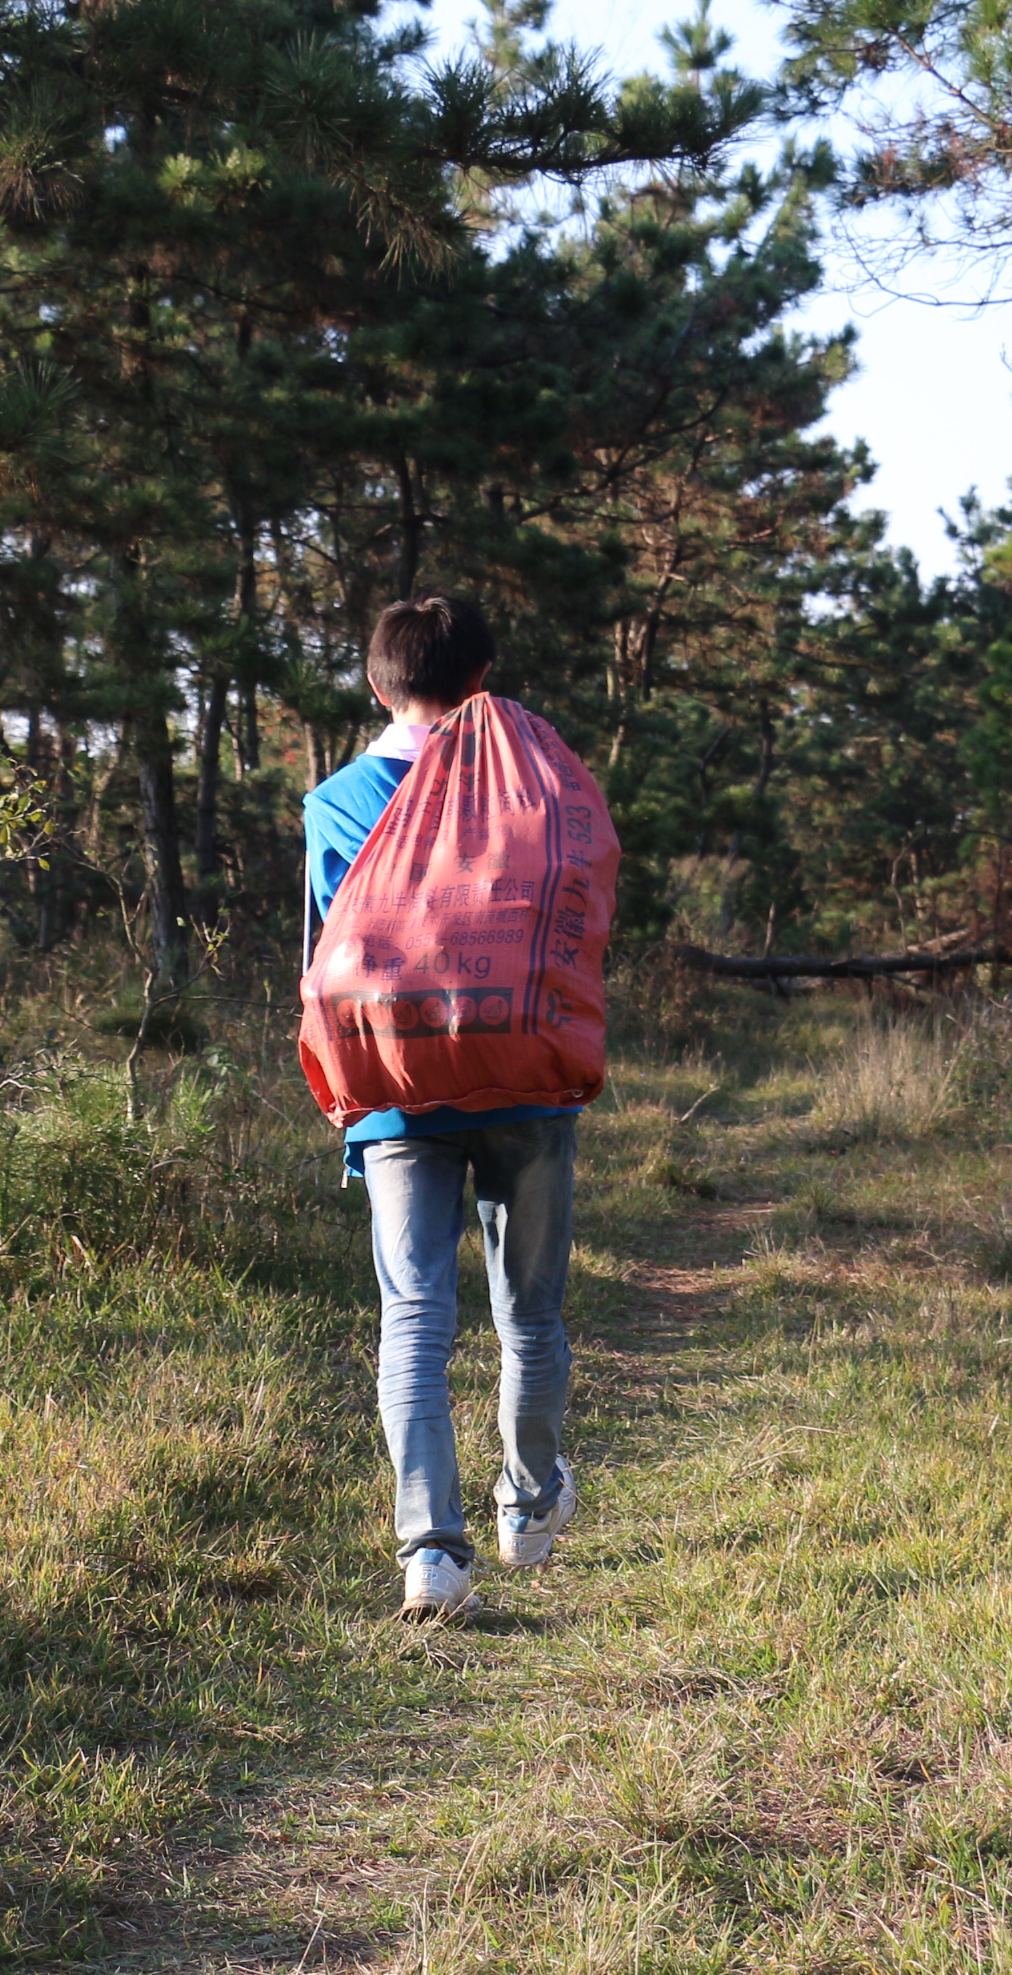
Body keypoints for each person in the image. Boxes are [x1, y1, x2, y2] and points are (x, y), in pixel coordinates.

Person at [302, 596, 597, 1622]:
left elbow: (324, 958)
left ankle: (431, 1551)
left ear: (379, 687)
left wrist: (344, 1092)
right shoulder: (537, 790)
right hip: (524, 1075)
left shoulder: (337, 800)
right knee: (531, 1315)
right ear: (486, 683)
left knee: (414, 1317)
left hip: (394, 1089)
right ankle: (527, 1505)